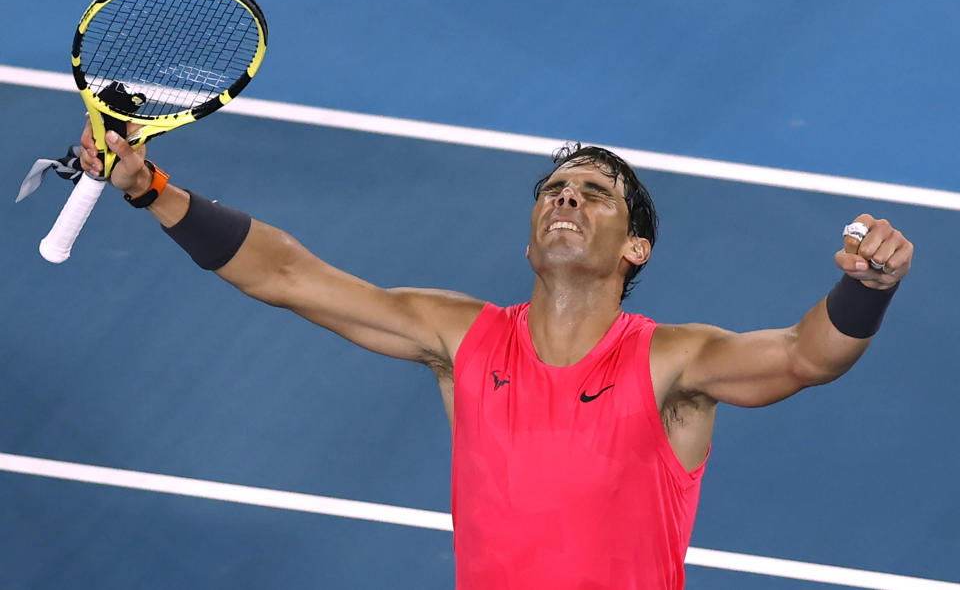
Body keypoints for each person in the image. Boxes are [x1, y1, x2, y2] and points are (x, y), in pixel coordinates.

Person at [79, 124, 912, 589]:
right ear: (528, 239)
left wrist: (867, 287)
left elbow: (807, 357)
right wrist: (156, 191)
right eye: (555, 189)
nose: (567, 196)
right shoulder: (463, 339)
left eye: (595, 192)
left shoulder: (673, 365)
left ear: (637, 249)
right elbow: (294, 277)